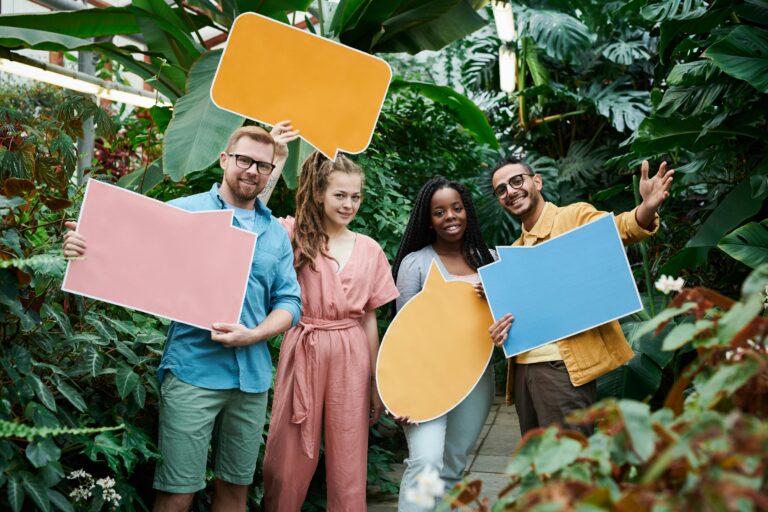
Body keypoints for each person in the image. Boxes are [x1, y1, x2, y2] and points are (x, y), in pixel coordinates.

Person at [63, 125, 302, 512]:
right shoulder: (186, 212)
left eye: (262, 164)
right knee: (177, 494)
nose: (252, 170)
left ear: (270, 171)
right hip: (194, 372)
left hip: (251, 380)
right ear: (225, 160)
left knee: (235, 491)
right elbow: (123, 251)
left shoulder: (274, 233)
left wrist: (253, 334)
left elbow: (290, 301)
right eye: (244, 160)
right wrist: (80, 246)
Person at [487, 156, 674, 436]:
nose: (510, 191)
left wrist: (646, 208)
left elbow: (618, 230)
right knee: (540, 469)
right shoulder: (514, 251)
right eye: (501, 190)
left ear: (536, 181)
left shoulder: (572, 216)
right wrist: (500, 330)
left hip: (561, 368)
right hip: (523, 372)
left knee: (571, 465)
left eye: (516, 181)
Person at [261, 149, 399, 511]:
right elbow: (251, 216)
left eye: (355, 196)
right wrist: (274, 161)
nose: (348, 204)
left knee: (349, 458)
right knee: (286, 455)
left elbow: (369, 318)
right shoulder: (292, 235)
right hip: (304, 344)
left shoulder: (369, 249)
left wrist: (374, 381)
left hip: (351, 351)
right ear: (320, 193)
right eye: (340, 195)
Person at [391, 177, 496, 510]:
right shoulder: (415, 264)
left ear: (467, 211)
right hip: (426, 381)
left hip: (475, 378)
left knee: (452, 465)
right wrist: (399, 392)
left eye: (457, 208)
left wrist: (497, 300)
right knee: (426, 461)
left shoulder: (491, 262)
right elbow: (403, 333)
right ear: (429, 219)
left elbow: (509, 321)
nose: (450, 216)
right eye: (439, 212)